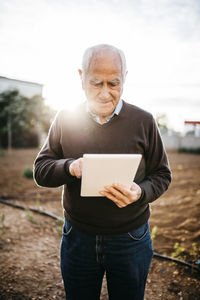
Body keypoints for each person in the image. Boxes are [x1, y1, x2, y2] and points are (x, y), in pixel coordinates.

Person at [33, 44, 171, 300]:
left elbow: (162, 175)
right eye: (96, 83)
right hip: (78, 237)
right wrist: (70, 167)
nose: (105, 93)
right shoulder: (65, 118)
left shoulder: (144, 121)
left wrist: (140, 193)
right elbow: (41, 170)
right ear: (81, 77)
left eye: (114, 83)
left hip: (131, 238)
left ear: (125, 78)